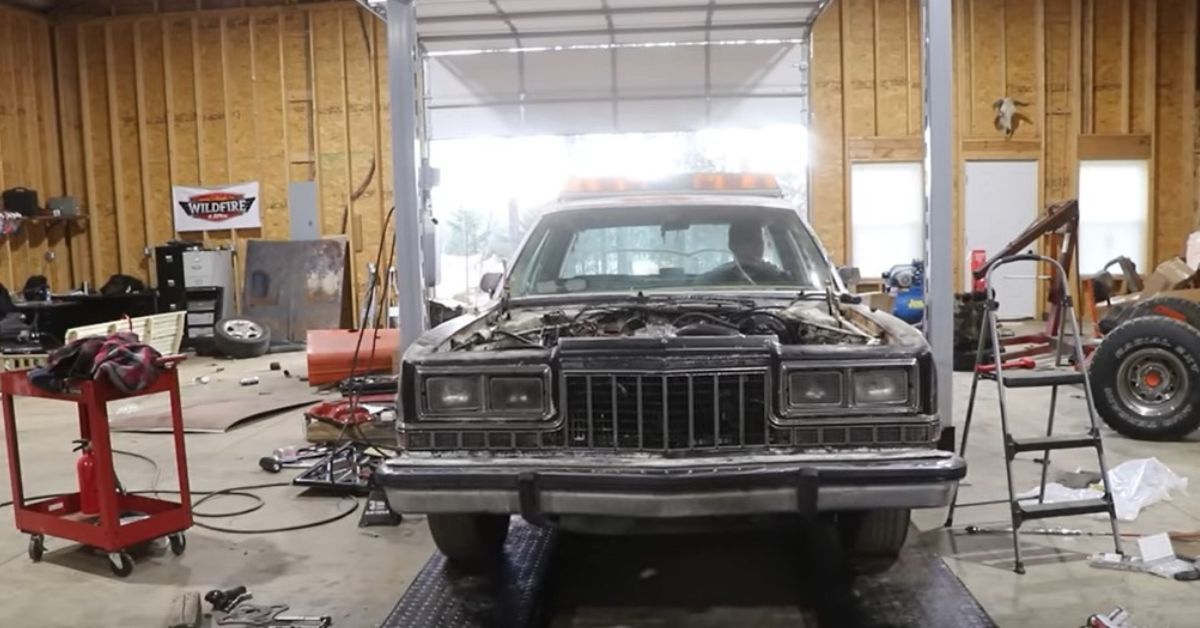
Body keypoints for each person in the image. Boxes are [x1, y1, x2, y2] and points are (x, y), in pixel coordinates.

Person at [703, 221, 790, 284]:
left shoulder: (778, 279)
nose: (756, 248)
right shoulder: (714, 280)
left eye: (759, 242)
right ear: (732, 245)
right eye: (749, 242)